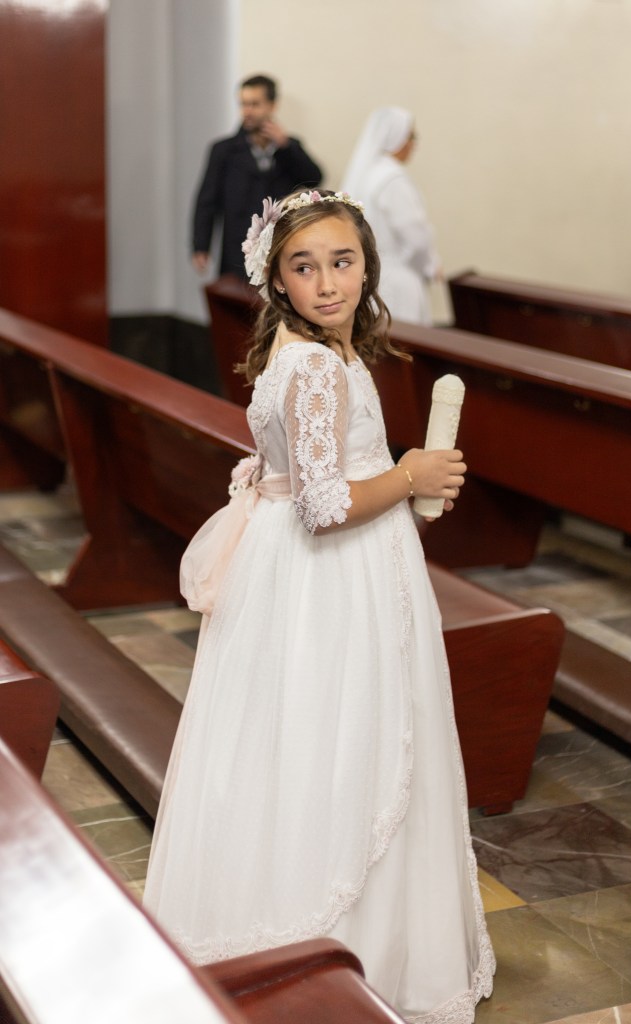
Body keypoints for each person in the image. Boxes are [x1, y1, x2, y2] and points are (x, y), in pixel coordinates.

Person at [144, 188, 495, 1024]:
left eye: (342, 262)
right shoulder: (312, 367)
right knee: (346, 740)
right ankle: (339, 944)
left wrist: (401, 484)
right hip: (332, 576)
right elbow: (324, 505)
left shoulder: (308, 350)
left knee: (294, 740)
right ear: (277, 280)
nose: (328, 282)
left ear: (367, 266)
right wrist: (409, 474)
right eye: (304, 267)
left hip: (308, 571)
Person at [191, 74, 323, 278]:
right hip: (237, 251)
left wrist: (286, 146)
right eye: (243, 104)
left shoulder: (289, 147)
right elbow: (207, 202)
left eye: (254, 104)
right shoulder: (224, 151)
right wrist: (201, 246)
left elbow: (314, 179)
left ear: (272, 106)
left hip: (280, 249)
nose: (247, 111)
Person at [342, 106, 439, 325]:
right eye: (411, 136)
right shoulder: (392, 179)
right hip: (398, 279)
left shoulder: (365, 174)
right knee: (404, 341)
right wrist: (429, 264)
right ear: (397, 137)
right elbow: (415, 237)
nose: (414, 144)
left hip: (369, 276)